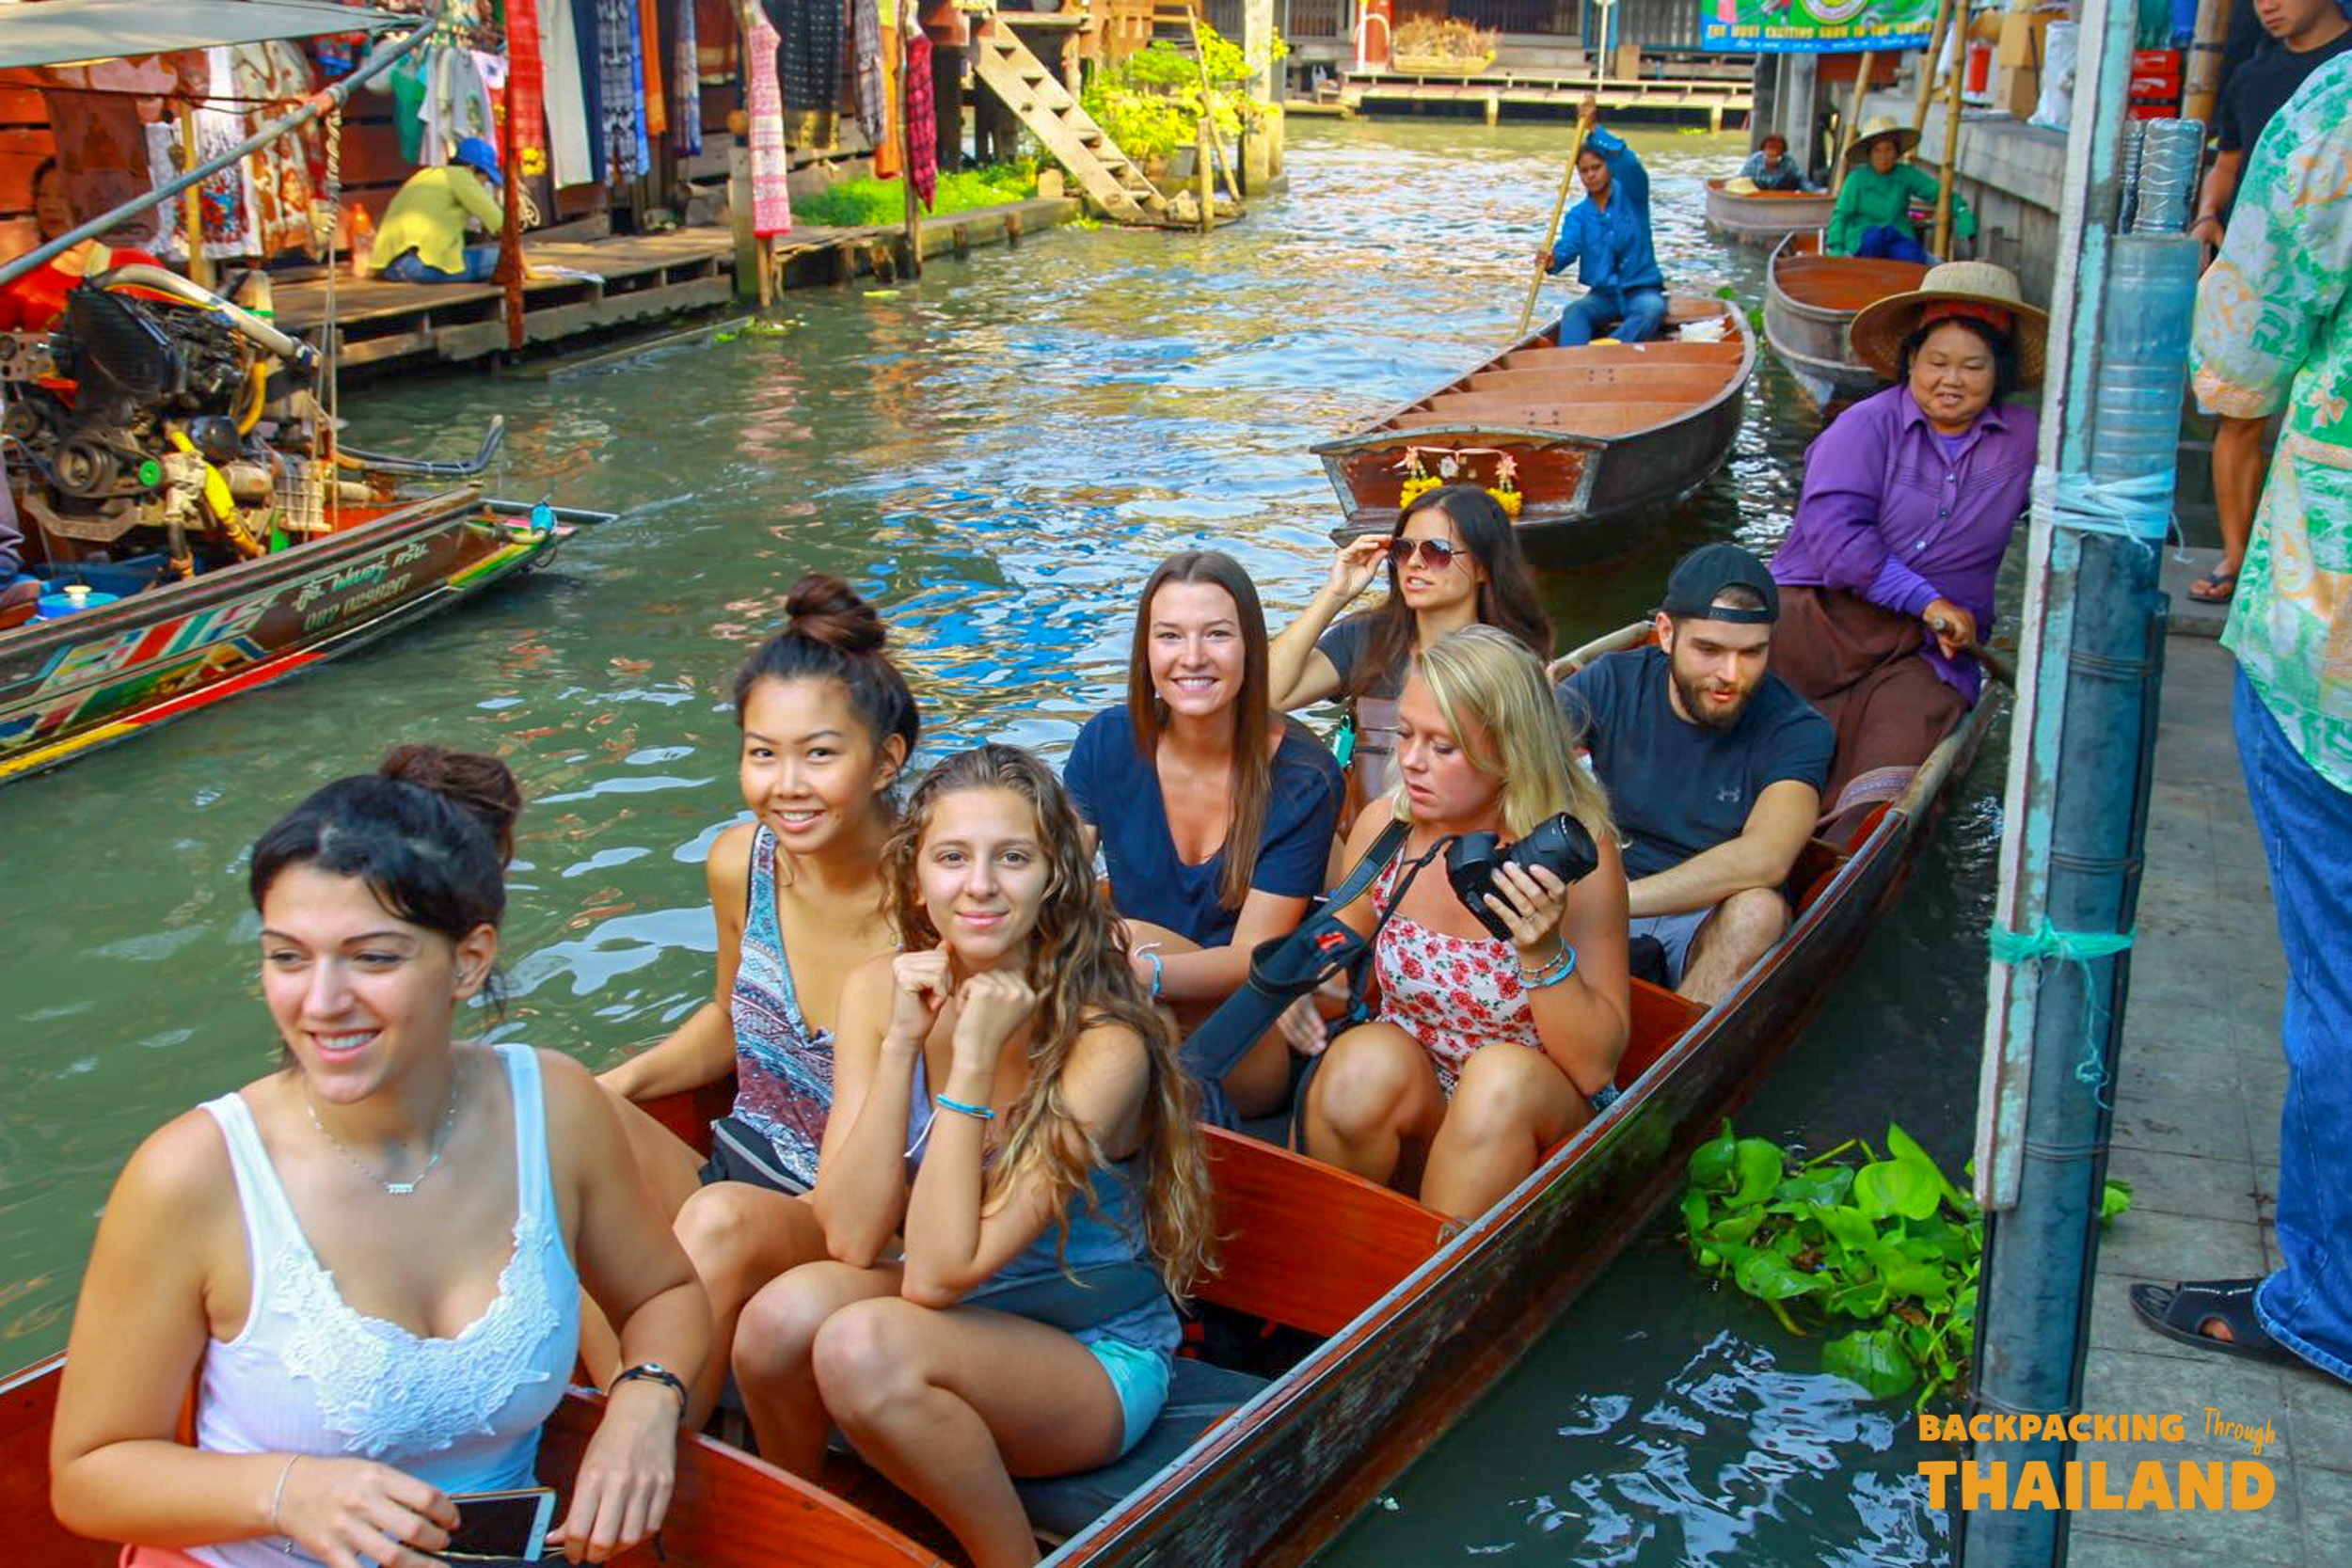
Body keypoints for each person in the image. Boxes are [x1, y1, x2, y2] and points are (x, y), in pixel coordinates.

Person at [48, 746, 708, 1567]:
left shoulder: (555, 1104)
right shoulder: (194, 1173)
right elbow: (87, 1473)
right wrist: (289, 1490)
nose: (320, 1002)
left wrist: (644, 1398)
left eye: (372, 957)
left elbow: (665, 1291)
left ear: (467, 960)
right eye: (287, 956)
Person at [727, 745, 1216, 1568]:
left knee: (860, 1346)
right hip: (956, 1320)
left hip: (1090, 1353)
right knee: (776, 1321)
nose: (979, 885)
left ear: (1054, 878)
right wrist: (900, 1044)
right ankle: (807, 1534)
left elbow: (935, 1274)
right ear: (917, 880)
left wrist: (974, 1062)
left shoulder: (1108, 1045)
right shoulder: (880, 988)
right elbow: (847, 1235)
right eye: (952, 857)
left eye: (1012, 857)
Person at [2132, 53, 2352, 1387]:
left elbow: (2233, 359)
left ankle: (2327, 1299)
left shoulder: (2330, 119)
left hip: (2333, 636)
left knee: (2338, 990)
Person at [595, 573, 918, 1427]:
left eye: (819, 753)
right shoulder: (742, 862)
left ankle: (645, 1484)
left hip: (867, 1220)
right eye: (761, 752)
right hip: (744, 1158)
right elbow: (730, 1022)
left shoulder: (940, 896)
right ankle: (589, 1430)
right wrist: (610, 1090)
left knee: (721, 1221)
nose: (786, 784)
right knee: (556, 1117)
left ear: (886, 759)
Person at [1296, 627, 1629, 1220]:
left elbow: (1595, 1067)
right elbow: (1333, 945)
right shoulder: (1383, 829)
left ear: (1507, 753)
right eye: (1405, 735)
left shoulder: (1575, 854)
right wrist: (1306, 982)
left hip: (1531, 1108)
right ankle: (1348, 1256)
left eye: (1442, 748)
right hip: (1423, 1093)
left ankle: (1436, 1280)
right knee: (1356, 1067)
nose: (1411, 762)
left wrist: (1540, 949)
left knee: (1497, 1080)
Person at [1064, 550, 1344, 1118]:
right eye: (1170, 636)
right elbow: (1055, 884)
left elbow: (1250, 958)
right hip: (1126, 1004)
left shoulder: (1302, 777)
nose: (1192, 658)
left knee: (1124, 938)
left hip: (1245, 1033)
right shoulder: (1106, 742)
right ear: (1146, 651)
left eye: (1216, 635)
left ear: (1250, 649)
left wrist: (1141, 970)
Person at [1769, 261, 2043, 833]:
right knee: (1740, 712)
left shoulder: (2026, 441)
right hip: (1819, 620)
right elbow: (1839, 543)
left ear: (2000, 371)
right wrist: (1927, 600)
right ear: (1910, 362)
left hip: (1930, 651)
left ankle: (1832, 856)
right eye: (1936, 362)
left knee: (1884, 776)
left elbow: (2074, 507)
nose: (1952, 379)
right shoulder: (1863, 427)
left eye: (1973, 365)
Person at [1554, 545, 1834, 1006]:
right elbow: (1518, 758)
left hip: (1702, 914)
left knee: (1759, 911)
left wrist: (1617, 900)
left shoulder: (1798, 729)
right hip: (1600, 883)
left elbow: (1767, 858)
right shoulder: (1609, 682)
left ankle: (1671, 1052)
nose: (1731, 675)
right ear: (1666, 633)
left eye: (1752, 653)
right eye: (1709, 649)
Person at [2185, 0, 2352, 605]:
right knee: (2239, 416)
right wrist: (2207, 215)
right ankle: (2235, 556)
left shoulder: (2343, 74)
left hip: (2329, 271)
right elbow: (2227, 163)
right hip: (2256, 272)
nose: (2267, 6)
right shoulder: (2253, 77)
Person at [1265, 483, 1552, 805]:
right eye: (1403, 549)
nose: (1414, 562)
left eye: (1437, 551)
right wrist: (1335, 595)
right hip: (1371, 835)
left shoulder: (1509, 660)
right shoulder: (1366, 637)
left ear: (1482, 567)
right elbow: (1269, 695)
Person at [1539, 100, 1666, 346]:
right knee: (1574, 313)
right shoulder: (1579, 214)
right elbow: (1568, 247)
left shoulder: (1633, 194)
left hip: (1641, 290)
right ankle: (1568, 366)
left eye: (1596, 167)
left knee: (1651, 310)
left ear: (1608, 167)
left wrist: (1594, 129)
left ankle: (1608, 349)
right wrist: (1552, 260)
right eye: (1584, 171)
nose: (1590, 175)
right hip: (1603, 296)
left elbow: (1628, 162)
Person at [0, 158, 165, 333]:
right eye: (43, 196)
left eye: (63, 195)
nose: (50, 206)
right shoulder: (21, 275)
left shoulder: (137, 267)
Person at [1824, 118, 1975, 264]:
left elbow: (1938, 193)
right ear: (1869, 154)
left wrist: (1961, 209)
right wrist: (1836, 247)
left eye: (1888, 150)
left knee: (1913, 258)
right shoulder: (1856, 180)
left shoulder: (1905, 174)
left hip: (1898, 233)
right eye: (1877, 151)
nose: (1883, 156)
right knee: (1873, 242)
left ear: (1896, 152)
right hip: (1863, 237)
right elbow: (1841, 215)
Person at [369, 136, 514, 284]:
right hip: (419, 267)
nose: (485, 184)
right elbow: (502, 224)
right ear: (472, 168)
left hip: (390, 268)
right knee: (503, 258)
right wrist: (520, 264)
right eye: (486, 178)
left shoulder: (427, 174)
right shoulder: (462, 177)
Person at [1734, 133, 1811, 193]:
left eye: (1778, 148)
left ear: (1783, 151)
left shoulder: (1788, 162)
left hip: (1780, 196)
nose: (1774, 151)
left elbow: (1802, 180)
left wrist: (1815, 192)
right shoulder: (1754, 160)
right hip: (1757, 195)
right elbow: (1741, 180)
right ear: (1763, 149)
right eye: (1770, 147)